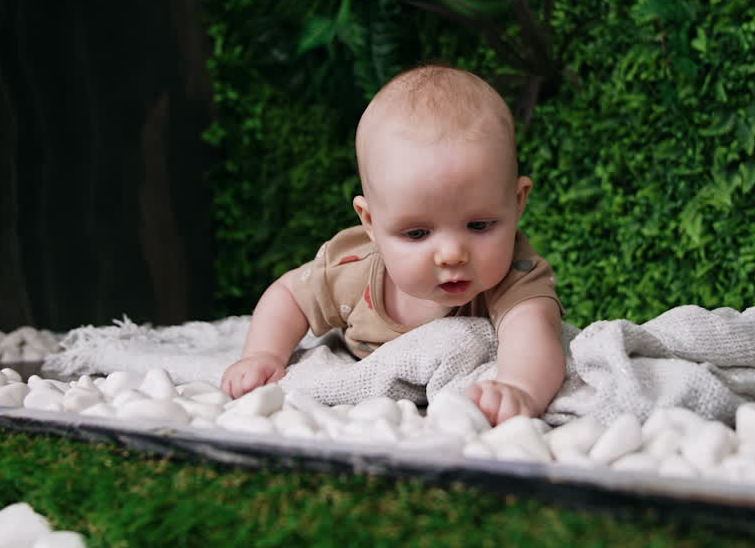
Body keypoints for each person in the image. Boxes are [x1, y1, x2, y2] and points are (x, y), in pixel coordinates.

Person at [220, 64, 565, 425]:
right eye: (417, 234)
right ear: (370, 222)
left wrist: (518, 387)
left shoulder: (514, 276)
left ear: (518, 200)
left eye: (479, 225)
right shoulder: (352, 271)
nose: (451, 254)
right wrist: (264, 354)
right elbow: (289, 295)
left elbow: (534, 334)